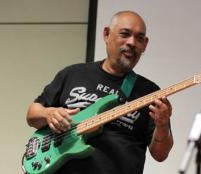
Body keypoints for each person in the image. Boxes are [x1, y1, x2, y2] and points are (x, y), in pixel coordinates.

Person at [26, 11, 173, 174]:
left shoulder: (149, 93)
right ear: (106, 34)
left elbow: (160, 154)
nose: (132, 42)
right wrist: (48, 113)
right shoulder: (73, 74)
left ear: (144, 45)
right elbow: (32, 115)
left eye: (139, 38)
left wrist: (162, 125)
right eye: (125, 34)